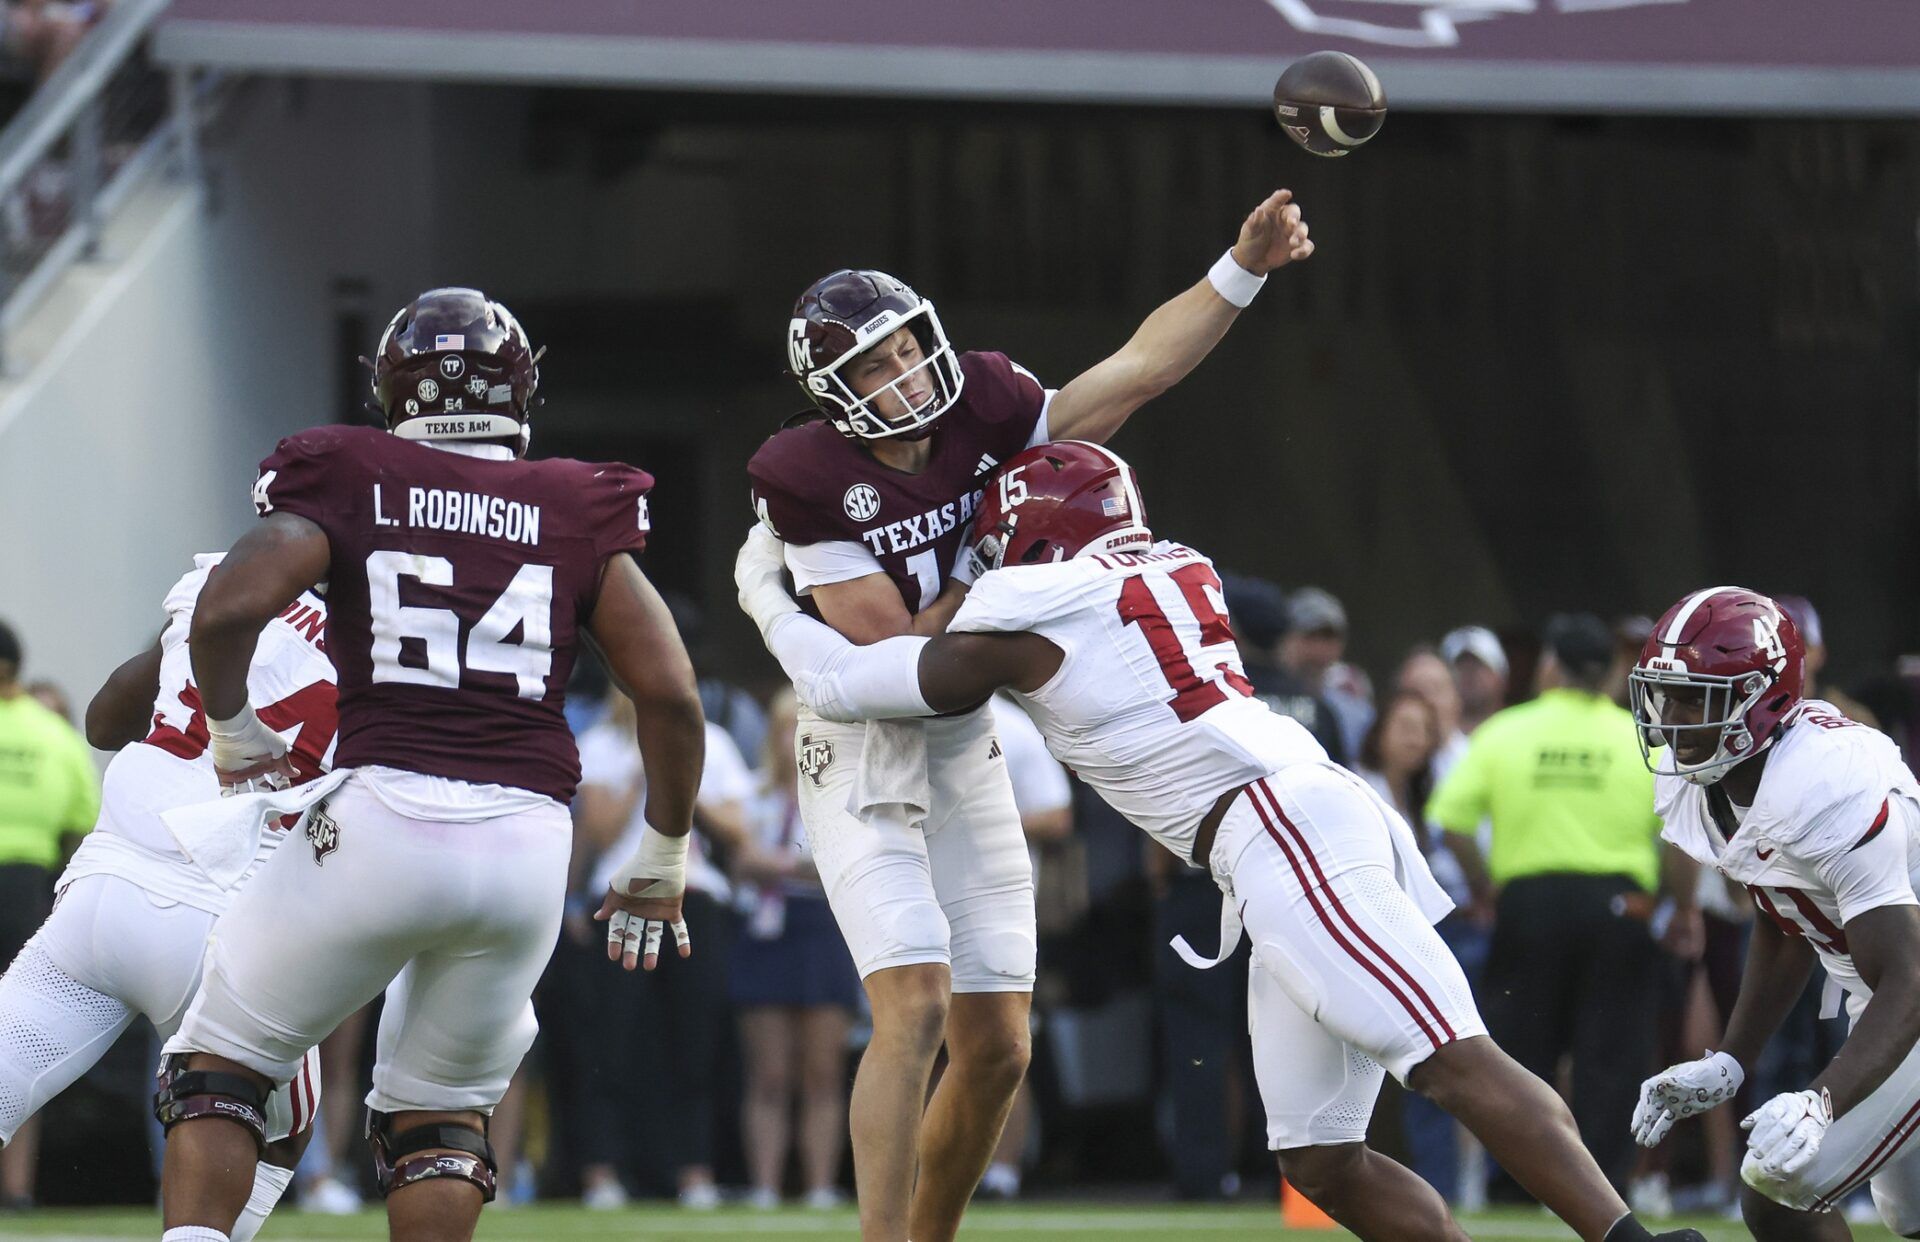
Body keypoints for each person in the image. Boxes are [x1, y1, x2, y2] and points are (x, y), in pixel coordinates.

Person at [735, 440, 1704, 1242]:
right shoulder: (1173, 563)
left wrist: (770, 597)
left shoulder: (1032, 605)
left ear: (1033, 535)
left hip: (1279, 828)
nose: (987, 557)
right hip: (1283, 827)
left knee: (1451, 1057)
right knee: (1321, 1160)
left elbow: (855, 683)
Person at [746, 190, 1314, 1242]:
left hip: (962, 743)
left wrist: (1241, 269)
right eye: (873, 365)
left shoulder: (988, 400)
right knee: (912, 1004)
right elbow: (896, 651)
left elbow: (1133, 374)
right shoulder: (806, 475)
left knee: (1001, 1041)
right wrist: (996, 566)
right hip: (861, 747)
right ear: (833, 391)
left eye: (910, 346)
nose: (906, 373)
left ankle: (933, 1234)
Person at [150, 287, 706, 1242]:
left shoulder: (349, 472)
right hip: (529, 847)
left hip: (387, 816)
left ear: (391, 390)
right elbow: (671, 693)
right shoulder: (574, 500)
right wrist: (661, 854)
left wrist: (238, 735)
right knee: (440, 1112)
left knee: (226, 1065)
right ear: (521, 389)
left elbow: (229, 608)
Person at [0, 558, 329, 1236]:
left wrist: (182, 640)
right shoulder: (392, 631)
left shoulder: (219, 580)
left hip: (101, 897)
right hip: (223, 917)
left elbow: (103, 720)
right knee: (275, 1121)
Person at [1627, 587, 1920, 1239]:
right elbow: (1784, 917)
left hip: (1907, 988)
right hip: (1887, 993)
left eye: (1693, 697)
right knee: (1910, 1214)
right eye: (1663, 694)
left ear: (1762, 700)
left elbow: (1909, 976)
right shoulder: (1711, 780)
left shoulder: (1828, 782)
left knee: (1778, 1187)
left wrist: (1820, 1102)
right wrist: (1732, 1059)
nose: (1669, 717)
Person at [1428, 613, 1702, 1197]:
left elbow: (1450, 821)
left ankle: (1515, 1184)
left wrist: (1485, 890)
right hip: (1618, 906)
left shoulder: (1506, 730)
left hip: (1529, 904)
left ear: (1550, 666)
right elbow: (1681, 834)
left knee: (1520, 1051)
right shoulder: (1637, 735)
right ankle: (1604, 1185)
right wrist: (1683, 910)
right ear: (1609, 674)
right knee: (1611, 1056)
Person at [574, 692, 754, 1209]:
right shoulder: (605, 744)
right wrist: (644, 769)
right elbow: (600, 829)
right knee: (613, 1036)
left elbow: (739, 829)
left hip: (693, 898)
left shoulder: (710, 742)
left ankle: (694, 1171)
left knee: (695, 1038)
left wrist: (681, 778)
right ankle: (603, 1171)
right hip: (622, 895)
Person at [731, 689, 862, 1210]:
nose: (795, 740)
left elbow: (843, 862)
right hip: (766, 930)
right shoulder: (751, 795)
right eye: (787, 728)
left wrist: (779, 864)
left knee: (822, 1072)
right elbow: (740, 859)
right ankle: (764, 1185)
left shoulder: (841, 795)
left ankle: (820, 1186)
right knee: (769, 1071)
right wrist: (793, 866)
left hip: (823, 927)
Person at [0, 617, 100, 1208]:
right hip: (27, 890)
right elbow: (83, 825)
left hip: (20, 887)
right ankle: (16, 1189)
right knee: (18, 1035)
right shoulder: (54, 736)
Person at [1282, 587, 1371, 760]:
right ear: (1286, 639)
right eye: (1310, 636)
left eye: (1329, 638)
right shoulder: (1262, 696)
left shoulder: (1354, 708)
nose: (1320, 650)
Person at [1440, 626, 1509, 734]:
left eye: (1478, 665)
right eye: (1460, 666)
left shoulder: (1519, 734)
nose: (1468, 673)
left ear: (1500, 678)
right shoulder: (1429, 746)